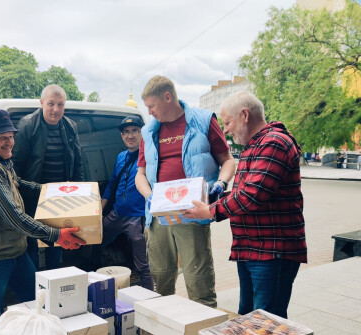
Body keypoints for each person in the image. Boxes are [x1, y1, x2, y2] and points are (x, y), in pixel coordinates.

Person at [184, 91, 307, 319]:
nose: (226, 130)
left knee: (265, 323)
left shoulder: (274, 143)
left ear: (245, 115)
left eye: (228, 123)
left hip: (272, 252)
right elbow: (247, 193)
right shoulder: (256, 145)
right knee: (248, 319)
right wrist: (213, 199)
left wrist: (210, 211)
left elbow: (252, 196)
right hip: (253, 250)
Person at [0, 109, 86, 314]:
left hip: (14, 250)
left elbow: (19, 184)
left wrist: (52, 191)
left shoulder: (1, 161)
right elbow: (14, 217)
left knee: (36, 301)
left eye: (11, 137)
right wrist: (56, 235)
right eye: (2, 138)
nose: (9, 142)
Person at [135, 76, 235, 308]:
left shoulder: (202, 121)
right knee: (161, 280)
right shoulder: (148, 132)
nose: (149, 112)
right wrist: (151, 197)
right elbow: (140, 174)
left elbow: (228, 161)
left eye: (152, 106)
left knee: (199, 283)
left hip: (191, 214)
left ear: (168, 97)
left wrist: (220, 184)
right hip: (159, 218)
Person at [11, 84, 84, 270]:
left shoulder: (70, 126)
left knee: (59, 238)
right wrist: (20, 190)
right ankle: (34, 284)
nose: (55, 109)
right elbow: (16, 163)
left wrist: (79, 192)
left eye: (60, 104)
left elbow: (78, 163)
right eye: (51, 103)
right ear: (42, 102)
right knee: (32, 242)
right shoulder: (28, 124)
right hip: (32, 194)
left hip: (60, 195)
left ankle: (54, 277)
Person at [100, 116, 154, 290]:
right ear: (122, 136)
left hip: (137, 218)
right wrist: (98, 210)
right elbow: (112, 184)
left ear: (142, 133)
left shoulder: (150, 157)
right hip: (116, 214)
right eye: (126, 132)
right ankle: (100, 277)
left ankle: (148, 299)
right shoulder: (121, 157)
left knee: (143, 265)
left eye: (135, 131)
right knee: (94, 240)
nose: (130, 136)